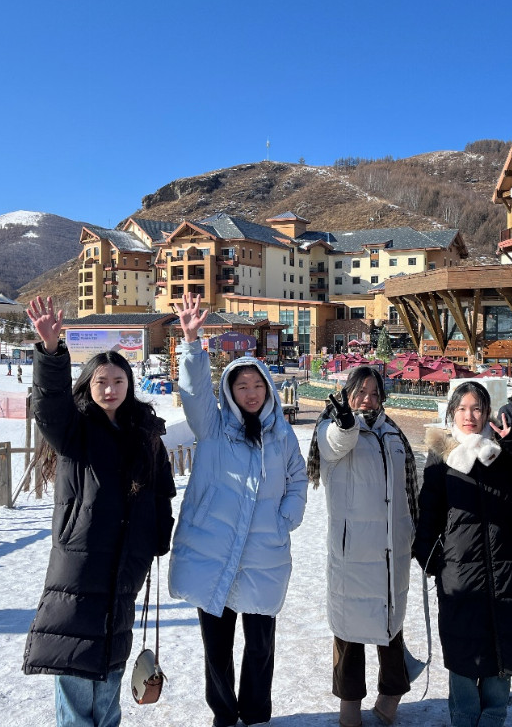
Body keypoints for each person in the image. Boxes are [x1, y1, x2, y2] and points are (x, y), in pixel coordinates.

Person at [21, 295, 176, 727]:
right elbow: (49, 406)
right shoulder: (75, 431)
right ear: (88, 385)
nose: (110, 389)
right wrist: (51, 351)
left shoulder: (145, 432)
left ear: (129, 384)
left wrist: (157, 538)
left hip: (128, 561)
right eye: (101, 381)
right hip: (80, 562)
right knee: (74, 660)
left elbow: (161, 491)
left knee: (110, 662)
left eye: (118, 381)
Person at [168, 292, 307, 727]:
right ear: (229, 390)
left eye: (257, 385)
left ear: (268, 388)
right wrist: (192, 344)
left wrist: (287, 516)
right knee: (217, 646)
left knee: (261, 644)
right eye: (241, 386)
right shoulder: (212, 427)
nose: (251, 393)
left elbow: (298, 477)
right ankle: (225, 716)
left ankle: (257, 714)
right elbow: (194, 393)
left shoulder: (281, 434)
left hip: (264, 550)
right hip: (213, 548)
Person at [413, 381, 512, 727]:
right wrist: (432, 560)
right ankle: (464, 718)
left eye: (476, 408)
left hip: (510, 567)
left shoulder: (504, 451)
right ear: (452, 413)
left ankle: (493, 718)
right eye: (462, 409)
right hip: (460, 572)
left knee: (502, 649)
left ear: (487, 413)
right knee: (465, 651)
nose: (469, 416)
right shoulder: (442, 456)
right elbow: (428, 513)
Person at [307, 366, 419, 727]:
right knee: (349, 634)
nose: (367, 400)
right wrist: (345, 424)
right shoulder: (332, 428)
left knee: (391, 629)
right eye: (360, 392)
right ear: (347, 394)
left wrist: (413, 533)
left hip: (391, 553)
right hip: (353, 555)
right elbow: (335, 444)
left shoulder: (392, 433)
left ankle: (389, 700)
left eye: (374, 393)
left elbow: (408, 492)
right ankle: (349, 711)